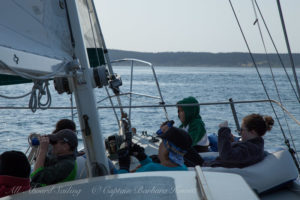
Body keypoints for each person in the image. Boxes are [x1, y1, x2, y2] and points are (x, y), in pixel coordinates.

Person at [204, 113, 274, 168]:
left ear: (253, 132)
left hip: (213, 169)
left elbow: (227, 157)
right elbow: (238, 154)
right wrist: (233, 142)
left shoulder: (251, 149)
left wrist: (224, 130)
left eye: (242, 130)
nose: (240, 132)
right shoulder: (256, 146)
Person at [118, 127, 193, 173]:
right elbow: (160, 169)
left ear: (167, 146)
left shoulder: (150, 169)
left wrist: (123, 167)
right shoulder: (183, 168)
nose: (160, 146)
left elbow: (122, 184)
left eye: (161, 142)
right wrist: (143, 157)